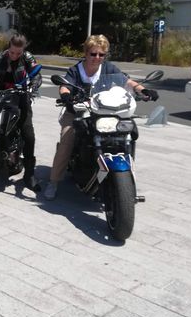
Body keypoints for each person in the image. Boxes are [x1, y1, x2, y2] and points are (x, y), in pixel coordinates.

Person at [43, 34, 159, 200]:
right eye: (93, 54)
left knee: (126, 132)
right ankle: (53, 182)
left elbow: (126, 81)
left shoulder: (108, 68)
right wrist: (66, 96)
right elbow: (65, 85)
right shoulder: (76, 70)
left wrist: (143, 90)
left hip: (103, 111)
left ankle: (124, 179)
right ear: (86, 52)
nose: (97, 58)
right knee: (67, 138)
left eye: (101, 54)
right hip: (77, 110)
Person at [0, 33, 42, 191]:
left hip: (20, 99)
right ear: (8, 48)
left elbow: (36, 75)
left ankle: (29, 175)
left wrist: (32, 86)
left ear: (23, 50)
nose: (14, 56)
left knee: (28, 135)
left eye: (18, 53)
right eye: (12, 52)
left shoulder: (27, 58)